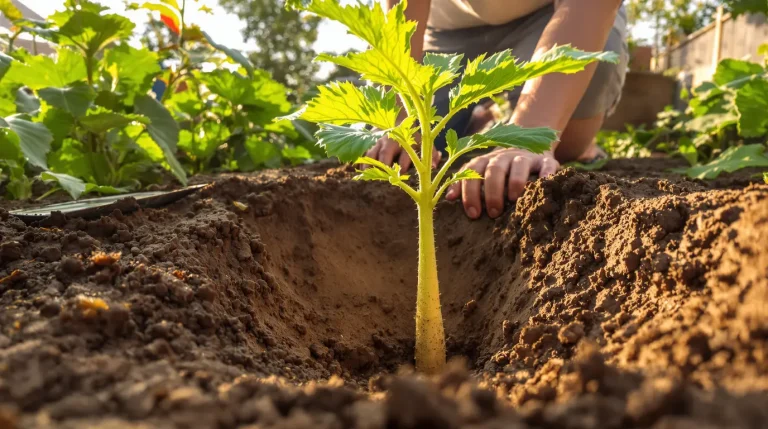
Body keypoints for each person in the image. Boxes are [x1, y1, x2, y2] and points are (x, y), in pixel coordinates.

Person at [364, 0, 629, 219]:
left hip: (550, 16)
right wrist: (401, 114)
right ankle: (481, 122)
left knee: (556, 146)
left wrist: (526, 136)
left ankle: (575, 142)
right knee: (403, 148)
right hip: (444, 27)